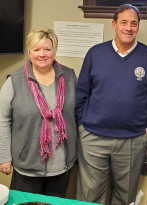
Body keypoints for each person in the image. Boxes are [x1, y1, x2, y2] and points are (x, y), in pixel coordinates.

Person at [75, 4, 147, 205]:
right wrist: (82, 126)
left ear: (138, 27)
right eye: (123, 22)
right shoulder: (95, 54)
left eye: (134, 23)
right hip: (93, 138)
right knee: (90, 196)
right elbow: (81, 94)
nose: (128, 27)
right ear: (114, 25)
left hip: (132, 140)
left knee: (124, 197)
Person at [0, 27, 78, 197]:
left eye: (47, 49)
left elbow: (77, 115)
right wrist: (4, 157)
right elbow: (2, 119)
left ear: (54, 51)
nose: (42, 54)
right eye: (36, 49)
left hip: (61, 165)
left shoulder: (70, 77)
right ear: (29, 51)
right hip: (27, 164)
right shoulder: (14, 81)